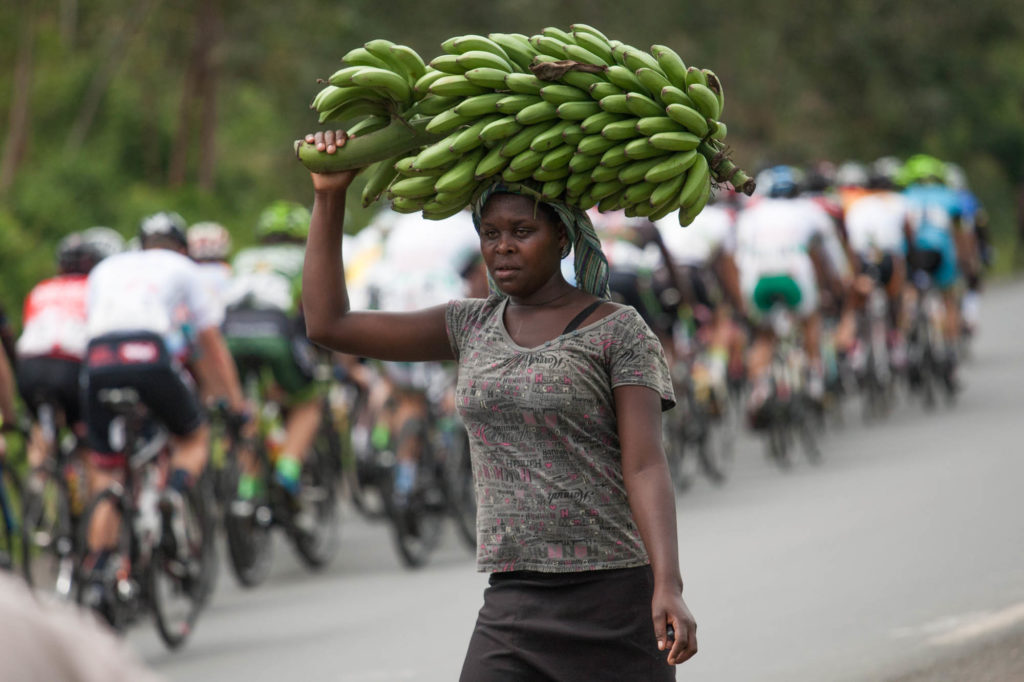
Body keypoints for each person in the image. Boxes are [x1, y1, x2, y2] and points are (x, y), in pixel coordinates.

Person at [301, 129, 697, 678]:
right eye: (490, 233)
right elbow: (328, 324)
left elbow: (646, 463)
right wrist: (329, 196)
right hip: (514, 603)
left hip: (616, 601)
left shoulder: (618, 331)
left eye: (521, 231)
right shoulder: (470, 324)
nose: (503, 246)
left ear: (563, 236)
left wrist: (667, 585)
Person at [80, 211, 249, 617]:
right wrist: (237, 404)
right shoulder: (183, 267)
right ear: (182, 245)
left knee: (108, 472)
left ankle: (99, 568)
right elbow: (211, 344)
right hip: (149, 355)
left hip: (98, 359)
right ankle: (173, 491)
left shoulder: (107, 266)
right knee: (193, 437)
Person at [222, 201, 325, 500]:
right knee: (309, 402)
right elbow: (320, 314)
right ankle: (288, 472)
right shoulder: (307, 256)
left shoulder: (243, 258)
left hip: (231, 334)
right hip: (275, 332)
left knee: (249, 407)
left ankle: (247, 485)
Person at [15, 228, 123, 474]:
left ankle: (37, 483)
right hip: (71, 366)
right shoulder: (96, 287)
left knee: (41, 429)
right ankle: (92, 500)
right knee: (89, 440)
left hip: (30, 367)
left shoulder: (41, 289)